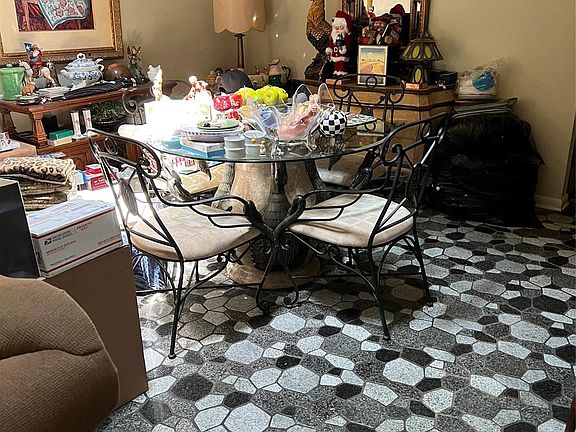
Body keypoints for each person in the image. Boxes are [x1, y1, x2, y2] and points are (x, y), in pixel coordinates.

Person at [326, 10, 353, 77]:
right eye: (336, 28)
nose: (338, 30)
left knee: (341, 63)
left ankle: (341, 72)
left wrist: (343, 47)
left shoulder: (346, 37)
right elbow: (331, 44)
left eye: (340, 27)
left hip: (342, 52)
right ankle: (336, 71)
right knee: (336, 63)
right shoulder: (333, 37)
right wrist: (329, 49)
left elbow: (348, 44)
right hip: (335, 52)